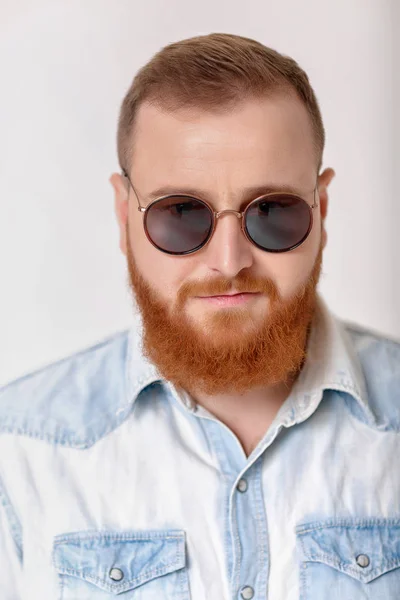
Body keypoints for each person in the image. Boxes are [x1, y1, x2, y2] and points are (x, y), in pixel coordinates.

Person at [0, 32, 399, 600]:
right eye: (182, 213)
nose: (229, 261)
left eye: (274, 213)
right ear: (123, 215)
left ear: (322, 208)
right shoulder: (19, 453)